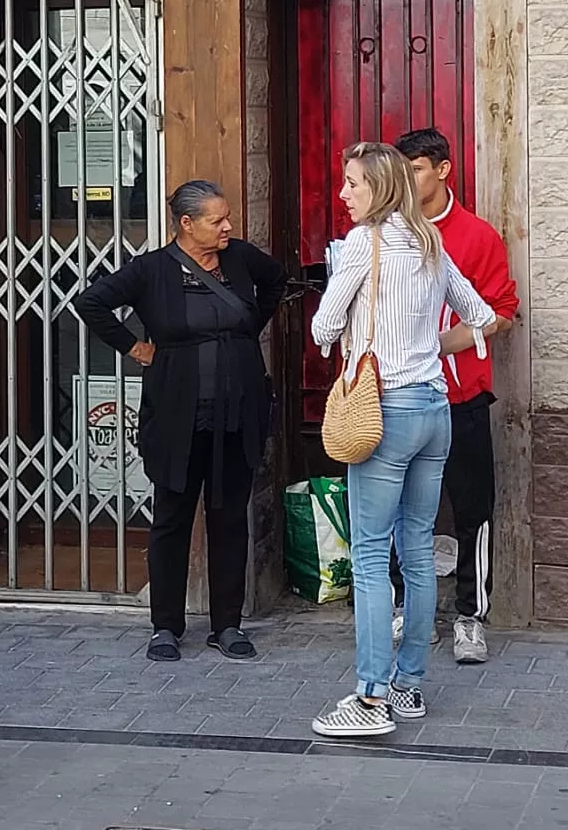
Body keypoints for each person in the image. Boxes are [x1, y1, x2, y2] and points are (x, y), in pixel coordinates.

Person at [306, 142, 500, 740]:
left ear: (380, 189)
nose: (344, 194)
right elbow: (482, 315)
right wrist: (426, 347)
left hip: (384, 410)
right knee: (417, 550)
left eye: (353, 184)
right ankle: (410, 686)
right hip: (434, 407)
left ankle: (370, 695)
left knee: (370, 555)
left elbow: (323, 327)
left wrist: (344, 325)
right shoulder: (431, 243)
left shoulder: (363, 246)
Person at [74, 179, 286, 663]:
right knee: (171, 518)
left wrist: (248, 330)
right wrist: (135, 346)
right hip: (176, 414)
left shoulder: (240, 259)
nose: (228, 226)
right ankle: (165, 627)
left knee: (230, 518)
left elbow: (276, 280)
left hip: (237, 411)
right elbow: (91, 303)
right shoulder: (151, 270)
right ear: (187, 224)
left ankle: (227, 625)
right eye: (217, 220)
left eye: (227, 216)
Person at [386, 127, 519, 667]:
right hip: (398, 397)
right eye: (400, 168)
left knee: (471, 511)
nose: (405, 178)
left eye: (415, 168)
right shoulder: (384, 234)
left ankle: (470, 616)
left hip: (462, 396)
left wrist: (438, 344)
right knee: (400, 510)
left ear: (442, 170)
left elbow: (502, 314)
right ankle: (408, 609)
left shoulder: (476, 236)